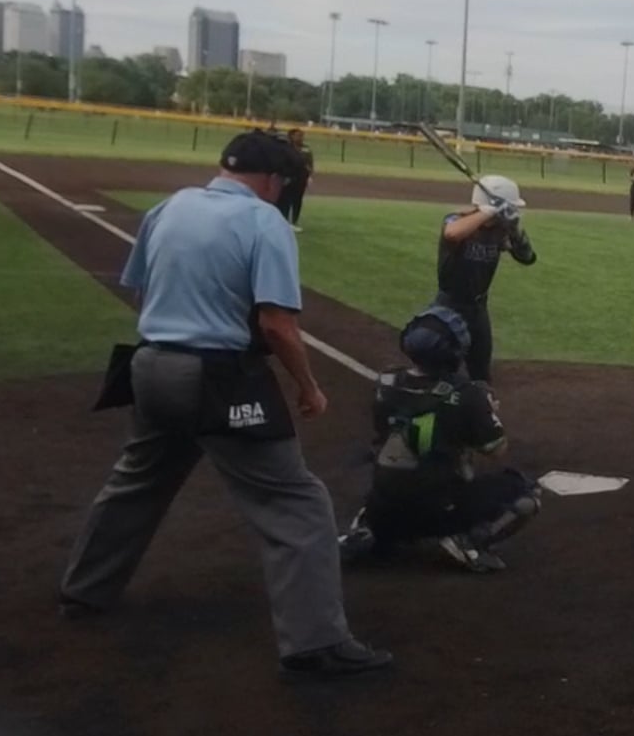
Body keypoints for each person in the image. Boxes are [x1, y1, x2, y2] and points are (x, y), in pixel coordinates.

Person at [57, 130, 391, 679]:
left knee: (137, 481)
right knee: (298, 503)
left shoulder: (170, 206)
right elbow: (276, 325)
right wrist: (308, 386)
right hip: (216, 378)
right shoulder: (265, 222)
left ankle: (83, 590)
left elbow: (140, 289)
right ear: (274, 180)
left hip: (150, 366)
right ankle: (317, 642)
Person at [339, 307, 543, 574]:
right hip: (439, 513)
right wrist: (485, 411)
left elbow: (383, 430)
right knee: (526, 491)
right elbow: (496, 449)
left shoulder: (386, 382)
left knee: (387, 467)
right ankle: (470, 542)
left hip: (383, 510)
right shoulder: (468, 395)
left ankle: (366, 529)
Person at [435, 174, 538, 383]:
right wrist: (488, 211)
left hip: (478, 309)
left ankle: (481, 402)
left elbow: (527, 258)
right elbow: (452, 233)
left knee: (480, 371)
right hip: (449, 305)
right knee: (442, 367)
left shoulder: (499, 232)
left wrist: (515, 232)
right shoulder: (456, 220)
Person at [279, 127, 314, 230]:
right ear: (291, 136)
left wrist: (309, 175)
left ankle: (294, 221)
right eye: (298, 135)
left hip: (301, 177)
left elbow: (310, 164)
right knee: (285, 200)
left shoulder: (306, 149)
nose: (301, 138)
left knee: (297, 200)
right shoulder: (286, 148)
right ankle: (284, 221)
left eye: (302, 136)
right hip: (289, 177)